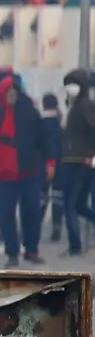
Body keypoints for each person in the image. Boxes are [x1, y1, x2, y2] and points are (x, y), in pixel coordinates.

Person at [0, 76, 56, 267]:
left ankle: (31, 249)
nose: (11, 95)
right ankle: (12, 252)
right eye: (8, 92)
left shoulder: (29, 112)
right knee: (5, 215)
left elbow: (44, 139)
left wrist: (50, 161)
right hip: (4, 175)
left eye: (14, 92)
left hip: (29, 171)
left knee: (32, 213)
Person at [61, 68, 95, 255]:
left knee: (71, 204)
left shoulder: (84, 105)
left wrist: (90, 155)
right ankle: (75, 244)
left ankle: (75, 245)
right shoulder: (76, 105)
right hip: (74, 159)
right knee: (79, 204)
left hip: (79, 161)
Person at [40, 93, 66, 243]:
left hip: (43, 165)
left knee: (41, 196)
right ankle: (56, 225)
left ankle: (37, 222)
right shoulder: (59, 126)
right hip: (60, 165)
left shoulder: (40, 124)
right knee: (57, 197)